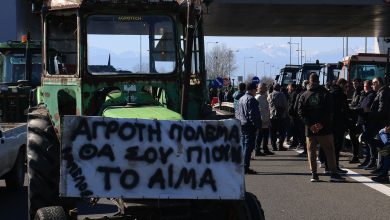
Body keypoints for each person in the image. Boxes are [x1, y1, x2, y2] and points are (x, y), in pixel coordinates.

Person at [298, 73, 345, 182]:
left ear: (309, 81)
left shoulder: (304, 95)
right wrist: (320, 124)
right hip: (325, 129)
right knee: (329, 151)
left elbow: (300, 112)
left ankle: (314, 174)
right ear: (319, 81)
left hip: (310, 131)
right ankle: (333, 173)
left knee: (311, 152)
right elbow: (329, 112)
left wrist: (310, 125)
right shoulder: (325, 93)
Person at [363, 77, 390, 170]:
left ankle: (383, 169)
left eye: (374, 83)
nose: (372, 85)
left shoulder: (383, 92)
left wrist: (370, 113)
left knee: (366, 138)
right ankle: (381, 168)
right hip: (379, 122)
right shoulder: (381, 92)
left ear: (378, 83)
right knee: (380, 145)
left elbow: (382, 110)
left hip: (381, 123)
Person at [236, 82, 262, 174]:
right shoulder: (252, 100)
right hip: (249, 125)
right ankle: (245, 167)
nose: (256, 92)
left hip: (241, 124)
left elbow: (238, 112)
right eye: (256, 90)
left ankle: (242, 166)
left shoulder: (241, 98)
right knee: (248, 147)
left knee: (243, 145)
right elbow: (254, 115)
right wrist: (258, 126)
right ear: (252, 90)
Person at [350, 80, 376, 168]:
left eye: (364, 86)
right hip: (363, 120)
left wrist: (354, 110)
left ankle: (372, 161)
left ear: (367, 86)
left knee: (370, 142)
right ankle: (368, 160)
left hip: (367, 121)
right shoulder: (365, 95)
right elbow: (361, 105)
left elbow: (366, 108)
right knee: (366, 142)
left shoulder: (371, 95)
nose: (363, 88)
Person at [329, 78, 349, 173]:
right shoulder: (341, 95)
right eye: (345, 86)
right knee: (337, 147)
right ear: (341, 84)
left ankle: (328, 166)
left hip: (330, 123)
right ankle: (335, 166)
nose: (346, 88)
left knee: (330, 146)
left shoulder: (330, 93)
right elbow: (346, 111)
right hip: (339, 124)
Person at [255, 83, 274, 156]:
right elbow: (259, 110)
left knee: (265, 135)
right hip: (261, 120)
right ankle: (257, 150)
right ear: (260, 88)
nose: (266, 89)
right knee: (260, 136)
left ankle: (265, 149)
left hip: (266, 119)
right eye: (264, 87)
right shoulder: (258, 98)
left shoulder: (265, 96)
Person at [268, 83, 288, 151]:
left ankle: (274, 146)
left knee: (272, 132)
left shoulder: (269, 95)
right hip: (281, 116)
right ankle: (280, 145)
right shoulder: (282, 95)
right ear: (279, 88)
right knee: (282, 132)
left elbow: (268, 106)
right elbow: (285, 105)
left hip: (272, 116)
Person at [347, 78, 363, 163]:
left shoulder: (360, 92)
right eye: (353, 83)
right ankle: (355, 155)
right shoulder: (355, 92)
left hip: (356, 118)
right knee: (353, 138)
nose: (354, 85)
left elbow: (358, 105)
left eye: (356, 83)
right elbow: (354, 103)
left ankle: (355, 156)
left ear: (360, 83)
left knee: (354, 138)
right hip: (354, 117)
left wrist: (351, 108)